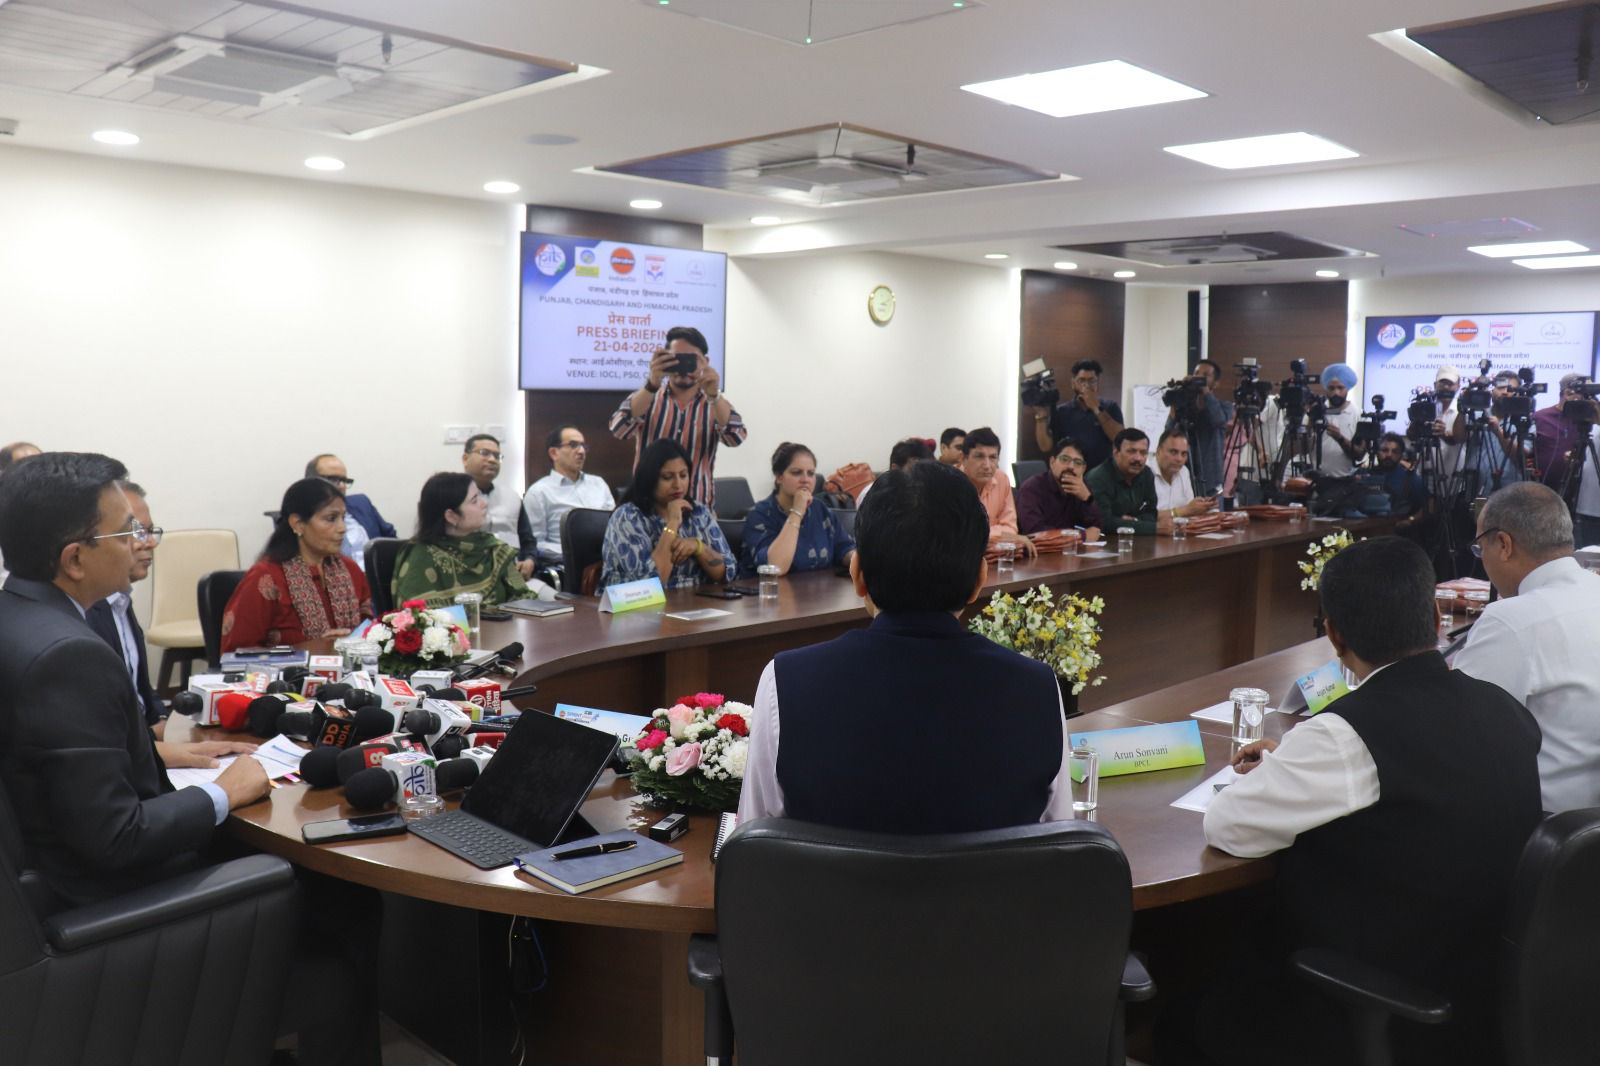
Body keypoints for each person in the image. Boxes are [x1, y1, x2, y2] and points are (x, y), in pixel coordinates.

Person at [1189, 536, 1542, 1066]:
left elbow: (1227, 826)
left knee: (1192, 1010)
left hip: (1382, 1000)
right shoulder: (1503, 707)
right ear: (1434, 615)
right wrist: (1299, 765)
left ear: (1333, 634)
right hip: (1489, 997)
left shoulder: (1345, 734)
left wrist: (1294, 768)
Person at [738, 460, 1073, 831]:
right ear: (979, 580)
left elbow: (753, 838)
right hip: (992, 874)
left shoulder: (786, 681)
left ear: (857, 575)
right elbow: (1059, 839)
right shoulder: (1038, 688)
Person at [0, 453, 271, 905]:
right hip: (103, 900)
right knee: (317, 882)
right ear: (75, 559)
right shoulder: (70, 656)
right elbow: (116, 837)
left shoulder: (15, 615)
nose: (138, 545)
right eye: (126, 532)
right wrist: (223, 793)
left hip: (43, 873)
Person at [1454, 483, 1600, 812]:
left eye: (1480, 548)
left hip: (1541, 825)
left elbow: (1457, 729)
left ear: (1504, 545)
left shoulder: (1511, 620)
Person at [222, 478, 372, 650]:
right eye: (331, 519)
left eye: (343, 518)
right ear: (298, 524)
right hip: (289, 669)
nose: (342, 528)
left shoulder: (350, 570)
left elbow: (370, 631)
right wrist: (310, 649)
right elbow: (236, 653)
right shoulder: (266, 578)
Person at [609, 325, 747, 507]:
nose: (683, 368)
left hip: (697, 511)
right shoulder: (648, 398)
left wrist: (714, 395)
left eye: (690, 359)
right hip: (647, 510)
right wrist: (652, 384)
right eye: (676, 359)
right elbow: (619, 430)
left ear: (705, 362)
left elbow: (735, 438)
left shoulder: (715, 404)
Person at [393, 472, 548, 609]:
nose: (484, 503)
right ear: (451, 516)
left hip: (507, 630)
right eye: (474, 500)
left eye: (479, 496)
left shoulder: (493, 549)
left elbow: (523, 597)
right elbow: (420, 618)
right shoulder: (422, 556)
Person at [600, 439, 734, 590]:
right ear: (649, 479)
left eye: (683, 475)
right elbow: (649, 586)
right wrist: (673, 523)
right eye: (667, 477)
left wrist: (699, 547)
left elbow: (728, 572)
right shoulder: (627, 517)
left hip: (690, 601)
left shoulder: (698, 512)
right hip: (633, 603)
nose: (678, 485)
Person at [741, 442, 856, 575]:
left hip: (817, 587)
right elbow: (775, 567)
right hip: (767, 587)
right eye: (796, 473)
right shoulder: (759, 515)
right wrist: (797, 512)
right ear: (779, 477)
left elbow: (844, 547)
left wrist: (859, 561)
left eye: (811, 473)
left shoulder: (820, 509)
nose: (805, 480)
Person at [522, 424, 615, 563]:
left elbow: (614, 525)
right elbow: (534, 543)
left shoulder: (599, 484)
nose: (581, 451)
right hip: (567, 565)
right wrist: (572, 552)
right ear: (554, 453)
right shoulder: (539, 492)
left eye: (583, 446)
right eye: (573, 445)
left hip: (607, 560)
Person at [461, 433, 537, 580]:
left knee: (558, 595)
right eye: (484, 453)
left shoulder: (512, 497)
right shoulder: (452, 496)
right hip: (470, 577)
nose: (492, 460)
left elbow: (527, 539)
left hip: (514, 575)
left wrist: (530, 560)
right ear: (465, 459)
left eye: (497, 456)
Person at [306, 453, 396, 572]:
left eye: (344, 480)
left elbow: (391, 539)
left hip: (379, 577)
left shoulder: (362, 503)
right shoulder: (304, 521)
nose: (341, 486)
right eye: (333, 479)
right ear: (310, 482)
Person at [1032, 359, 1125, 472]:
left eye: (1092, 381)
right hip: (1069, 471)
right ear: (1073, 383)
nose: (1086, 385)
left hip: (1102, 474)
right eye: (1081, 380)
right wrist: (1040, 415)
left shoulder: (1110, 407)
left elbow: (1119, 438)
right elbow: (1045, 447)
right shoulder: (1062, 411)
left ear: (1098, 383)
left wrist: (1096, 408)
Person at [960, 426, 1035, 557]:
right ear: (963, 459)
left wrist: (987, 535)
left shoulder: (1001, 479)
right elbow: (961, 535)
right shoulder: (951, 483)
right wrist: (1002, 535)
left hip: (994, 557)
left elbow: (1011, 528)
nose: (987, 465)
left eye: (993, 457)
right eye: (979, 456)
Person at [1164, 359, 1233, 491]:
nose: (1198, 377)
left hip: (1209, 479)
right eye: (1196, 373)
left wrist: (1205, 392)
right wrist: (1176, 403)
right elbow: (1169, 433)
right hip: (1183, 475)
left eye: (1205, 375)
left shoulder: (1225, 406)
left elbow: (1218, 420)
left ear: (1216, 384)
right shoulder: (1184, 406)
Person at [1017, 437, 1103, 539]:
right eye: (1065, 459)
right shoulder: (1031, 489)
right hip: (1039, 548)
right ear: (1052, 462)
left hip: (1071, 548)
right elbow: (1035, 531)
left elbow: (1097, 528)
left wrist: (1087, 498)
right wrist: (1080, 536)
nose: (1071, 466)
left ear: (1083, 469)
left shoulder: (1081, 487)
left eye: (1078, 463)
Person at [1085, 428, 1167, 535]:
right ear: (1116, 452)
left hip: (1136, 539)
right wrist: (1153, 528)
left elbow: (1151, 513)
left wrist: (1133, 521)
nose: (1138, 458)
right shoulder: (1098, 478)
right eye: (1131, 451)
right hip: (1103, 541)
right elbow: (1104, 522)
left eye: (1143, 453)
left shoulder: (1147, 474)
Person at [1533, 373, 1591, 490]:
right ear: (1566, 392)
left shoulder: (1588, 419)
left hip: (1580, 486)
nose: (1583, 397)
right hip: (1543, 487)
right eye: (1581, 393)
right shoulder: (1540, 417)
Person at [1150, 428, 1217, 519]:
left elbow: (1189, 510)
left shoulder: (1184, 471)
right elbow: (1141, 518)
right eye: (1173, 452)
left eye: (1184, 454)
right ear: (1158, 451)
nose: (1179, 459)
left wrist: (1200, 507)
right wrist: (1184, 511)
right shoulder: (1144, 472)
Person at [1311, 362, 1363, 477]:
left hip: (1346, 480)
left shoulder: (1358, 414)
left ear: (1347, 388)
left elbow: (1359, 454)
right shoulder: (1316, 412)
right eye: (1331, 388)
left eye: (1340, 388)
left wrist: (1339, 438)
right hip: (1317, 479)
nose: (1336, 393)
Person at [1363, 432, 1427, 526]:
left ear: (1401, 455)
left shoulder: (1410, 479)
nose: (1389, 455)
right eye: (1385, 450)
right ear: (1377, 452)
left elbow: (1427, 507)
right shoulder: (1367, 475)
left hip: (1398, 529)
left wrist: (1410, 520)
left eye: (1395, 452)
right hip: (1365, 527)